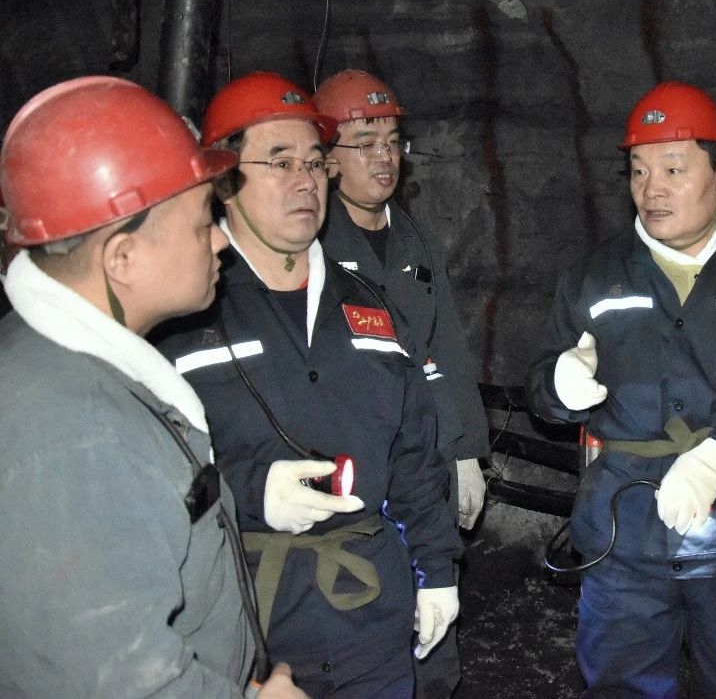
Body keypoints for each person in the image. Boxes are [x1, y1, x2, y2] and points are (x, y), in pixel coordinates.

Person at [526, 80, 716, 697]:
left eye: (673, 169)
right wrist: (559, 384)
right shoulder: (594, 276)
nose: (652, 189)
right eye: (639, 171)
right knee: (620, 686)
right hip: (622, 533)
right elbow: (540, 384)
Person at [154, 71, 462, 698]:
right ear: (225, 181)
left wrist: (437, 570)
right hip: (242, 629)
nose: (306, 180)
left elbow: (415, 456)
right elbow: (140, 473)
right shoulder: (179, 320)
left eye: (315, 162)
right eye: (280, 161)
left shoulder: (373, 310)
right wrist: (246, 492)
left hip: (369, 620)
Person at [0, 76, 304, 698]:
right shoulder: (79, 437)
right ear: (123, 258)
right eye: (201, 222)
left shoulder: (54, 361)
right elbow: (116, 681)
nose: (220, 239)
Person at [314, 68, 490, 697]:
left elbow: (446, 350)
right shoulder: (309, 241)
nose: (384, 158)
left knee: (434, 634)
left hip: (425, 462)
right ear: (326, 156)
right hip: (354, 470)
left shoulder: (411, 237)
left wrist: (466, 453)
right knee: (361, 625)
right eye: (364, 143)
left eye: (392, 142)